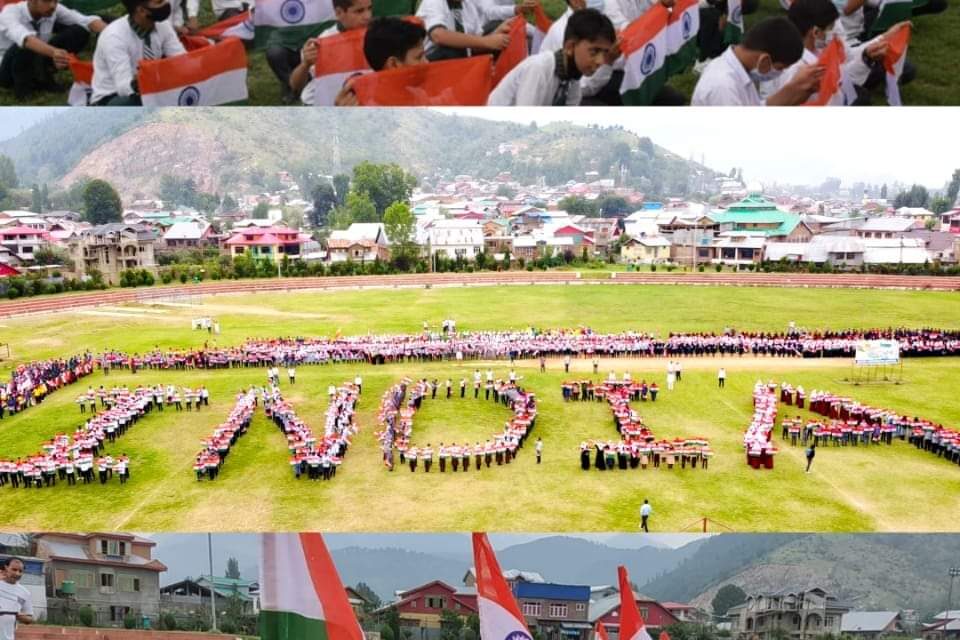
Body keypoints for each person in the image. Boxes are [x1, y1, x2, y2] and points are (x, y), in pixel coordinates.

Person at [487, 9, 615, 106]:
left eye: (605, 53)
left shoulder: (572, 80)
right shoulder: (538, 69)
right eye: (594, 51)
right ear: (570, 47)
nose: (600, 61)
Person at [691, 17, 823, 106]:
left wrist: (792, 90)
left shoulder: (739, 70)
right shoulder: (723, 88)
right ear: (764, 59)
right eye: (780, 68)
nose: (781, 73)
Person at [0, 0, 106, 100]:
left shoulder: (54, 8)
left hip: (36, 58)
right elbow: (25, 38)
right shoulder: (10, 12)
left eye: (55, 1)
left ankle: (42, 74)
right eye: (46, 0)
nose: (52, 5)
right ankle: (23, 91)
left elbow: (85, 20)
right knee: (25, 45)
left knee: (80, 31)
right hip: (6, 68)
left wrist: (111, 34)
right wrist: (54, 52)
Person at [89, 0, 186, 106]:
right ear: (142, 10)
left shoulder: (163, 25)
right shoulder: (114, 37)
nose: (166, 3)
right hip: (114, 97)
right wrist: (149, 82)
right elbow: (124, 87)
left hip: (151, 89)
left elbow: (182, 60)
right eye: (159, 2)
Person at [291, 0, 373, 105]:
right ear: (339, 13)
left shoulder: (375, 35)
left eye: (369, 8)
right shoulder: (323, 42)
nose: (367, 16)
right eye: (359, 11)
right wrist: (305, 65)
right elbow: (296, 86)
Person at [416, 0, 526, 62]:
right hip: (430, 62)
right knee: (454, 48)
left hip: (462, 62)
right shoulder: (434, 2)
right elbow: (438, 35)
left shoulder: (468, 5)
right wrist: (487, 41)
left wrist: (496, 34)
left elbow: (474, 46)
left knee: (504, 40)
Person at [0, 557, 34, 639]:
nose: (17, 573)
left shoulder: (25, 593)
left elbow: (30, 618)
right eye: (14, 570)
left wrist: (22, 617)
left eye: (20, 571)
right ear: (6, 568)